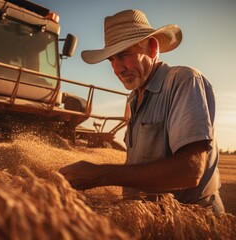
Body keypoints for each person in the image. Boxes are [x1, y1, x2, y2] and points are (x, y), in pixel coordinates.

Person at [59, 9, 225, 214]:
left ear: (152, 48)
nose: (117, 69)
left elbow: (189, 172)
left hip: (190, 223)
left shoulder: (183, 81)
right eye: (111, 59)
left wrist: (100, 175)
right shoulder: (134, 98)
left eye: (124, 55)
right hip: (149, 221)